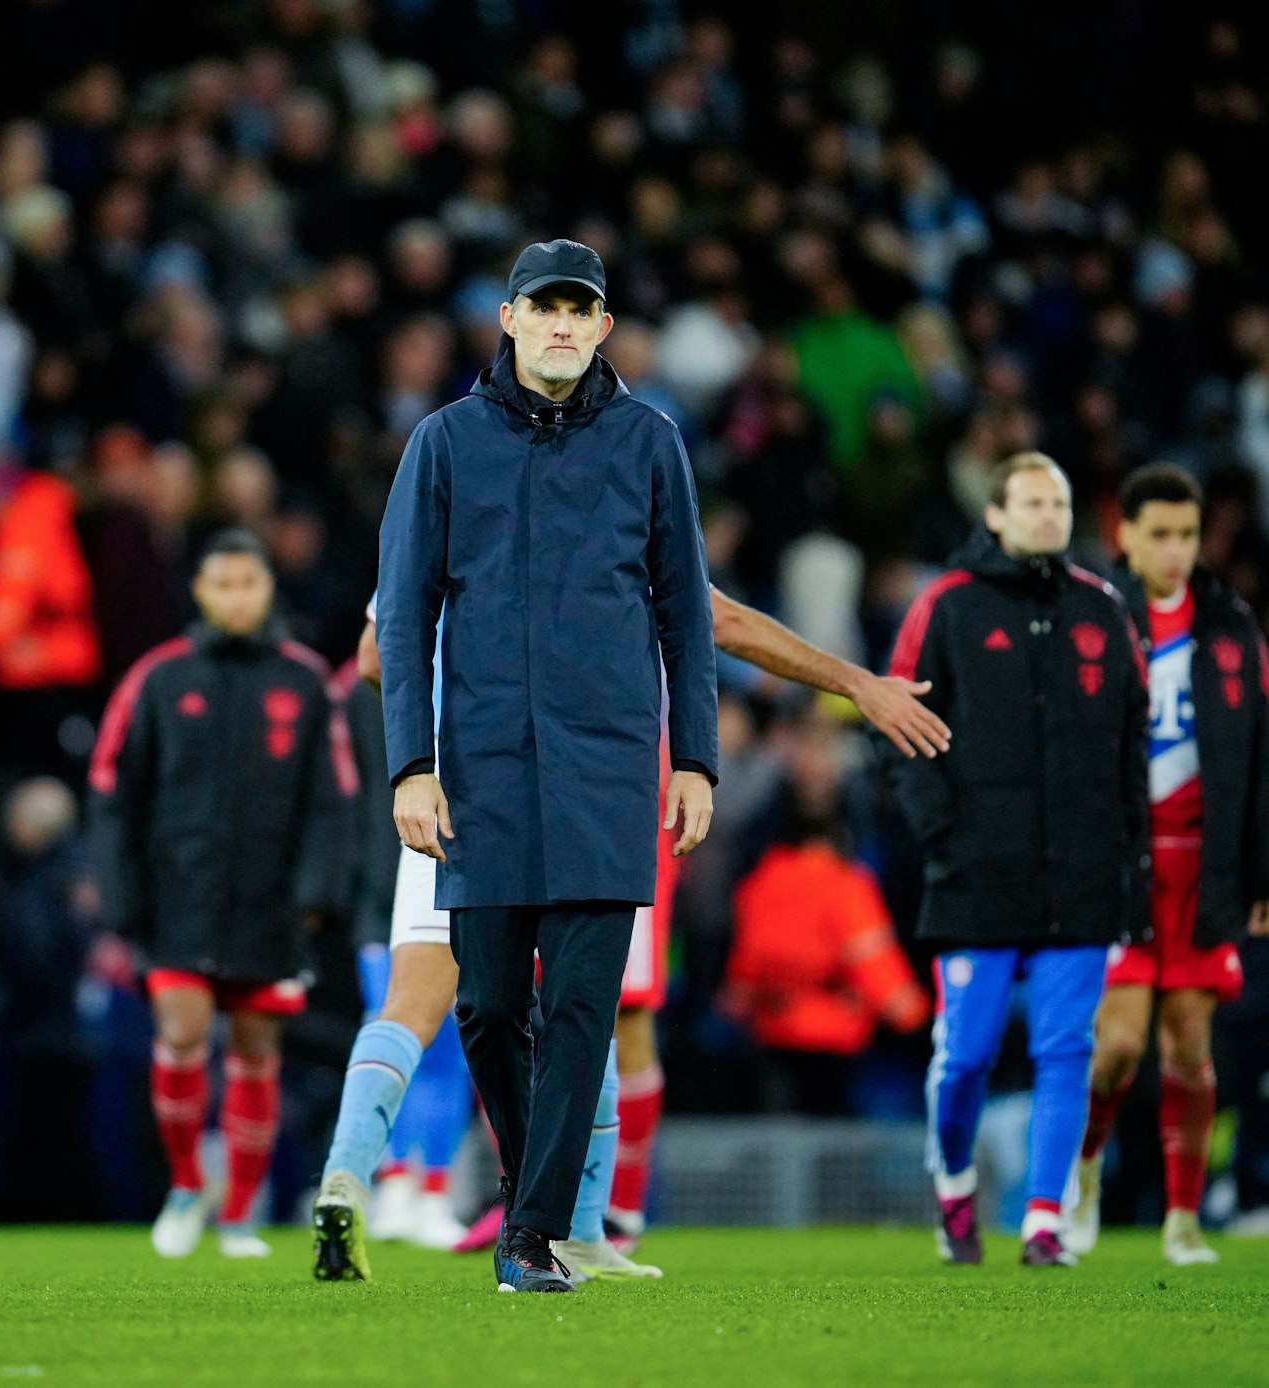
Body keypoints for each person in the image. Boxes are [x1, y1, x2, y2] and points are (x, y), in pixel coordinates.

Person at [313, 586, 950, 1282]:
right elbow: (725, 621)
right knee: (588, 1008)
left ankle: (344, 1176)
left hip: (446, 793)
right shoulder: (605, 519)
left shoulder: (437, 516)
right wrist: (853, 681)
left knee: (409, 1006)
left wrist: (444, 706)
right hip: (575, 793)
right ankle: (588, 1227)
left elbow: (374, 657)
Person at [375, 239, 720, 1294]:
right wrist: (410, 765)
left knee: (578, 1005)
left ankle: (528, 1239)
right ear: (511, 320)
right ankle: (546, 1203)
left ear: (605, 327)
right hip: (480, 765)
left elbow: (687, 616)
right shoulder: (441, 445)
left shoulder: (651, 443)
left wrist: (694, 758)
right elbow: (405, 618)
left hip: (609, 765)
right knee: (484, 1005)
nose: (565, 324)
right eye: (546, 306)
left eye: (583, 308)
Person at [882, 452, 1147, 1269]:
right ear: (993, 515)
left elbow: (1134, 745)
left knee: (1066, 1048)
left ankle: (1042, 1219)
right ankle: (955, 1186)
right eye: (1030, 502)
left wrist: (1122, 855)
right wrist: (942, 836)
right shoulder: (947, 605)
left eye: (1058, 502)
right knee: (964, 1057)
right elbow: (896, 723)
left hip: (1080, 874)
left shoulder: (1102, 609)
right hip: (976, 873)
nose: (1047, 515)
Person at [88, 529, 354, 1259]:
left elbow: (333, 801)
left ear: (269, 590)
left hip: (270, 905)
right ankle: (183, 1187)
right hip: (175, 899)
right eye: (223, 583)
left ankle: (237, 1212)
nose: (238, 596)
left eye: (250, 582)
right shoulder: (159, 678)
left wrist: (313, 894)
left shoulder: (302, 681)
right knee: (178, 1033)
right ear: (199, 592)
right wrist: (119, 892)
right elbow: (112, 790)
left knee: (256, 1050)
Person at [1070, 464, 1269, 1265]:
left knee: (1190, 1043)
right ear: (1125, 535)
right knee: (1114, 1044)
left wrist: (1259, 875)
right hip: (1121, 869)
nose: (1175, 550)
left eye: (1186, 534)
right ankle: (1080, 1172)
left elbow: (1257, 762)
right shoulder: (1094, 623)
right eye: (1159, 533)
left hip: (1203, 870)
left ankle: (1182, 1219)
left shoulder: (1231, 631)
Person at [723, 800, 930, 1115]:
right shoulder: (844, 884)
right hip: (833, 1034)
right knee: (831, 1141)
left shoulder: (761, 883)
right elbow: (873, 960)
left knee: (784, 1133)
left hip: (773, 1031)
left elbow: (747, 965)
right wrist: (913, 1014)